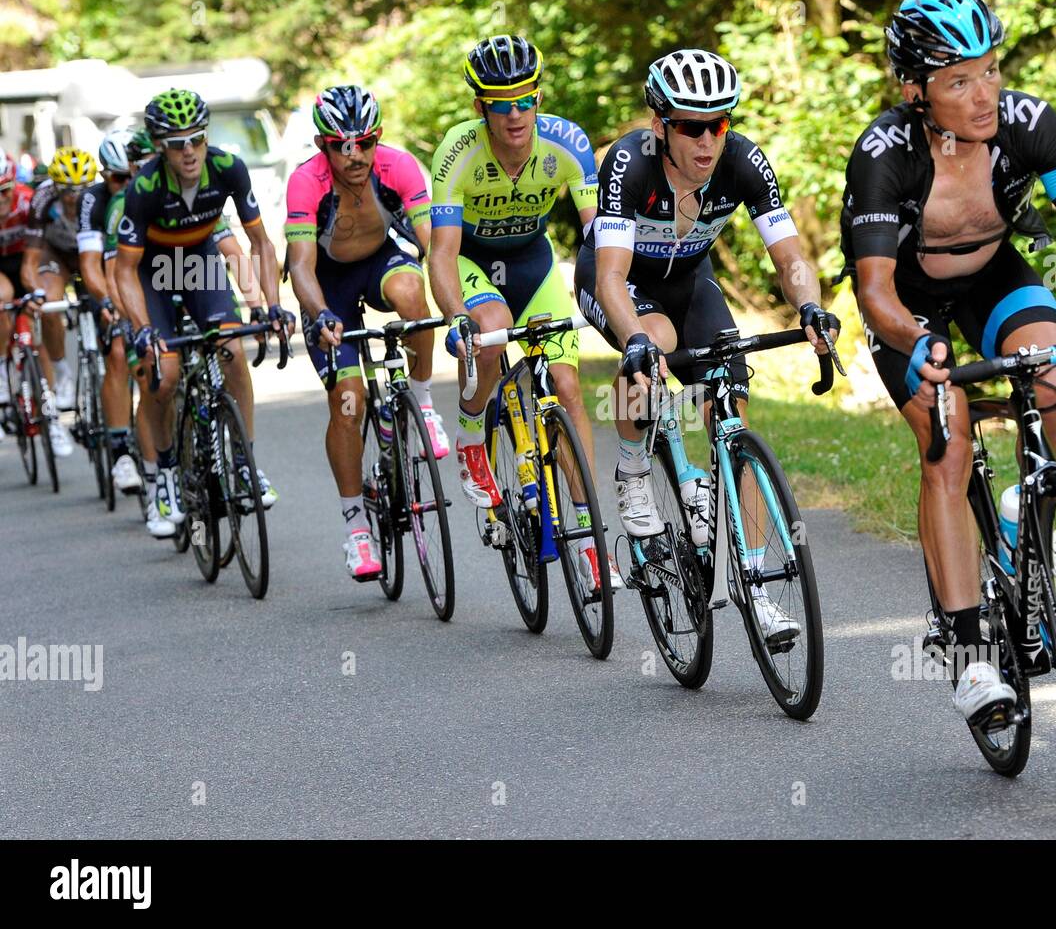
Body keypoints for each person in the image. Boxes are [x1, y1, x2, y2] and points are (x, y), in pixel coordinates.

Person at [842, 0, 1056, 723]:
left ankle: (1031, 511)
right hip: (909, 301)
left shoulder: (1029, 123)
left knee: (1053, 375)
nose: (984, 92)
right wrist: (917, 342)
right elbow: (873, 292)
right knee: (948, 441)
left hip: (994, 274)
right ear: (914, 90)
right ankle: (967, 657)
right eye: (959, 80)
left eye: (991, 70)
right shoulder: (883, 154)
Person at [576, 48, 839, 642]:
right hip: (620, 281)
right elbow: (611, 277)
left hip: (690, 282)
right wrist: (637, 340)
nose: (706, 140)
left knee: (731, 405)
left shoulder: (744, 161)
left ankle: (750, 581)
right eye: (691, 126)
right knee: (653, 346)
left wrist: (810, 307)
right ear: (659, 127)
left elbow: (789, 254)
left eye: (718, 123)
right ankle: (632, 467)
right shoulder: (629, 165)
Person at [428, 34, 620, 594]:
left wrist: (611, 292)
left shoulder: (567, 142)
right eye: (500, 103)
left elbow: (596, 233)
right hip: (473, 262)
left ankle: (587, 539)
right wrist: (455, 314)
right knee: (488, 333)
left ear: (539, 97)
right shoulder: (458, 151)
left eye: (525, 99)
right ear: (479, 108)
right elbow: (440, 253)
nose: (515, 115)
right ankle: (470, 435)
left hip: (534, 263)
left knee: (566, 383)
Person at [286, 85, 447, 579]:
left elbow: (432, 244)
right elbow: (300, 265)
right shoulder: (304, 182)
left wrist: (458, 306)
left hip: (379, 260)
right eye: (341, 145)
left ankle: (420, 401)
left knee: (411, 297)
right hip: (327, 284)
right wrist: (318, 314)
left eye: (365, 141)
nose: (355, 154)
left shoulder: (398, 167)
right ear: (323, 145)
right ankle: (357, 528)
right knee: (348, 400)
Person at [115, 89, 292, 535]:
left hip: (199, 263)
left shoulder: (228, 167)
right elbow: (124, 271)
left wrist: (269, 305)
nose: (189, 150)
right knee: (166, 372)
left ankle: (245, 462)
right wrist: (141, 329)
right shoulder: (146, 187)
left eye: (196, 139)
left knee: (231, 351)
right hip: (153, 271)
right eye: (177, 143)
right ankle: (167, 475)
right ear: (161, 146)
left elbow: (261, 244)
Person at [17, 146, 99, 454]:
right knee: (49, 301)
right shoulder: (42, 199)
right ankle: (63, 372)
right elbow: (30, 261)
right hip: (58, 256)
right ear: (55, 185)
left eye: (80, 189)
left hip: (92, 254)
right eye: (66, 189)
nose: (73, 196)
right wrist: (34, 292)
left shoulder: (100, 195)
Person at [75, 129, 143, 493]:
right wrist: (105, 302)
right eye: (118, 179)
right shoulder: (94, 200)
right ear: (105, 176)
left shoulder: (145, 191)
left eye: (130, 175)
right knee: (118, 350)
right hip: (105, 278)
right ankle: (120, 453)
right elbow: (90, 263)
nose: (126, 184)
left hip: (143, 277)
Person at [0, 151, 35, 415]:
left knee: (39, 307)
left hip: (24, 259)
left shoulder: (27, 200)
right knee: (3, 298)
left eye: (5, 190)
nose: (1, 199)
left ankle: (48, 392)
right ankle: (2, 368)